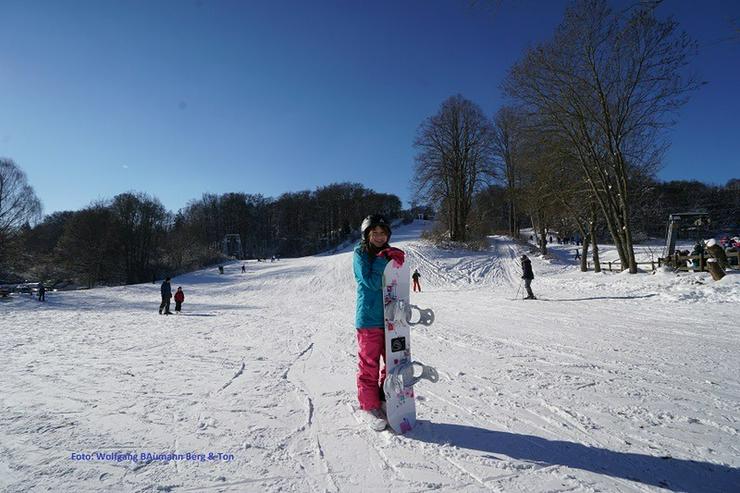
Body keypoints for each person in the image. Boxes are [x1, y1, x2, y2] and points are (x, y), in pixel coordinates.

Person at [353, 214, 404, 430]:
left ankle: (384, 399)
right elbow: (372, 282)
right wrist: (384, 260)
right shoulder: (360, 254)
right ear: (367, 235)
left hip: (391, 318)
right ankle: (368, 406)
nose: (379, 237)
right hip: (369, 319)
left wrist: (398, 263)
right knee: (369, 365)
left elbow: (399, 283)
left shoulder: (389, 254)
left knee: (392, 363)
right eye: (375, 233)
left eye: (383, 233)